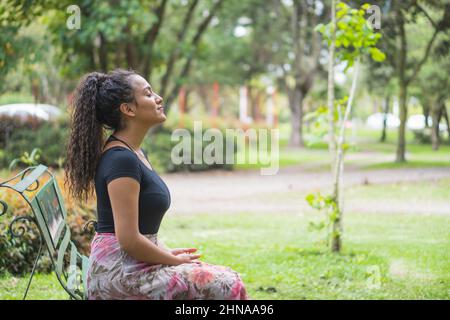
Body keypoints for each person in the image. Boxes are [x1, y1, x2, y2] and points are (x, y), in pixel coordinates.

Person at [64, 69, 248, 300]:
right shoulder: (121, 160)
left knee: (226, 278)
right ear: (128, 109)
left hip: (131, 263)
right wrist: (172, 260)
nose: (158, 98)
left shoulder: (134, 153)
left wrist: (165, 252)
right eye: (148, 94)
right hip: (120, 273)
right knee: (228, 285)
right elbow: (128, 239)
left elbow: (137, 232)